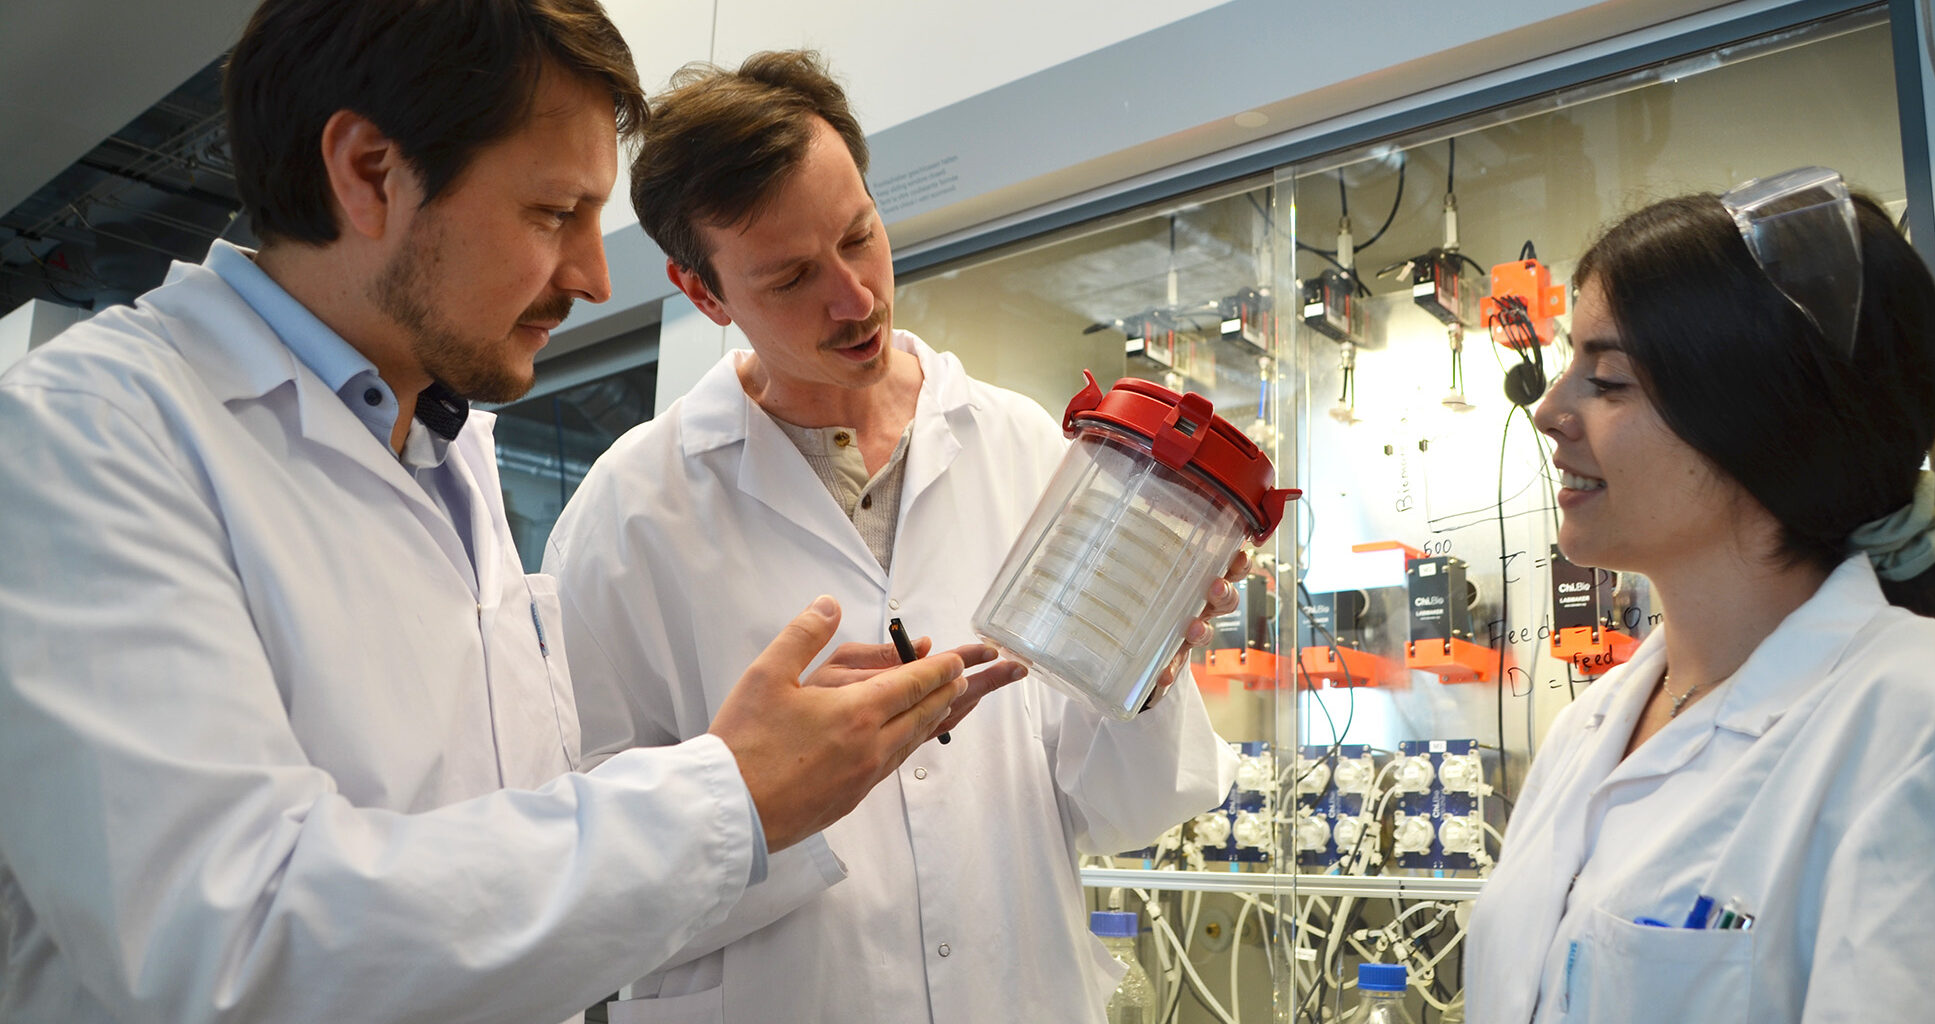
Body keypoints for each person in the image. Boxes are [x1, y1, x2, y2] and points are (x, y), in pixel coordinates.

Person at [0, 6, 976, 1023]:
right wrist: (727, 795)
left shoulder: (443, 444)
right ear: (369, 173)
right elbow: (229, 947)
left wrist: (758, 783)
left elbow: (515, 865)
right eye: (555, 213)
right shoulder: (86, 436)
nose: (594, 276)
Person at [542, 50, 1240, 1023]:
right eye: (791, 277)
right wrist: (747, 786)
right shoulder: (629, 513)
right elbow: (580, 883)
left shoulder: (1022, 447)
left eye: (859, 236)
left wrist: (1143, 671)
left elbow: (1126, 811)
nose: (856, 298)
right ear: (704, 295)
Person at [1466, 168, 1935, 1022]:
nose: (1550, 412)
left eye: (1610, 380)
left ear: (1763, 419)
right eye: (1566, 370)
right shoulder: (1592, 727)